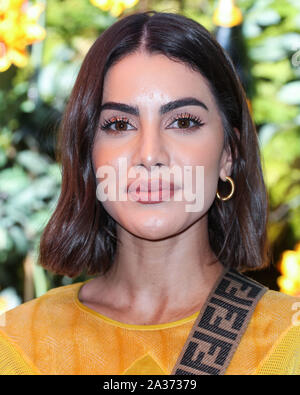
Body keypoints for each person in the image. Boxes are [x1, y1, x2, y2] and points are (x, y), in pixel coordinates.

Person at [0, 10, 299, 376]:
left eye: (184, 122)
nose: (150, 155)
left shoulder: (288, 342)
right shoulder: (16, 344)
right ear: (88, 155)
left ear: (228, 154)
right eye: (120, 124)